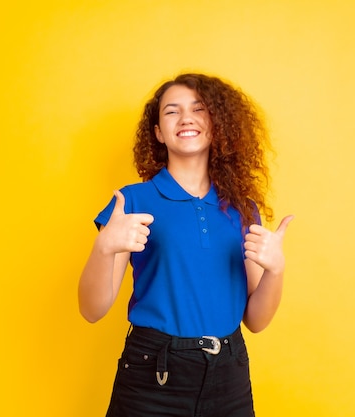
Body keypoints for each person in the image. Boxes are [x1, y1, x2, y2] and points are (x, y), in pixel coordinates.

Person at [78, 73, 293, 417]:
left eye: (199, 109)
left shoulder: (242, 208)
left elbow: (256, 320)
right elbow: (92, 309)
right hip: (153, 373)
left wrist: (276, 271)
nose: (186, 118)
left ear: (216, 124)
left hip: (229, 372)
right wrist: (103, 249)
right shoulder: (131, 201)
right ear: (159, 133)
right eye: (171, 112)